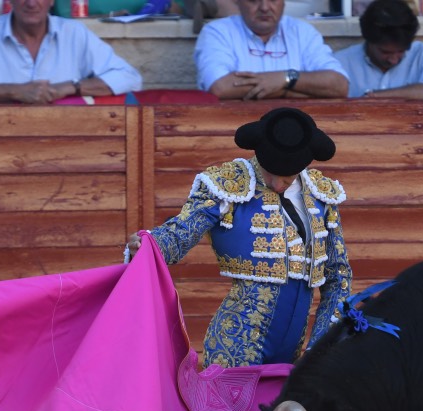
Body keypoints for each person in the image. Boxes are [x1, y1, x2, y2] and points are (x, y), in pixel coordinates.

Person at [126, 107, 352, 368]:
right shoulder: (229, 183)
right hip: (236, 346)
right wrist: (148, 245)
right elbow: (181, 233)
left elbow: (337, 277)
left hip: (293, 353)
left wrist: (322, 349)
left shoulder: (320, 194)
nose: (278, 185)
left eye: (287, 178)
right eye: (271, 174)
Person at [0, 0, 142, 104]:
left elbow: (129, 77)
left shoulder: (73, 32)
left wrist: (71, 87)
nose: (32, 3)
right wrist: (15, 91)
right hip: (4, 141)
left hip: (65, 141)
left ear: (52, 0)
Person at [194, 0, 348, 100]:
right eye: (253, 0)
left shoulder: (302, 31)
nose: (265, 7)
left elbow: (339, 85)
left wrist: (286, 78)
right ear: (238, 2)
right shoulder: (217, 31)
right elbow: (220, 87)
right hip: (236, 130)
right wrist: (285, 91)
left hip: (294, 131)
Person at [335, 0, 423, 101]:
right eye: (385, 52)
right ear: (369, 41)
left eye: (401, 51)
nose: (393, 60)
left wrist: (373, 97)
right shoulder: (341, 62)